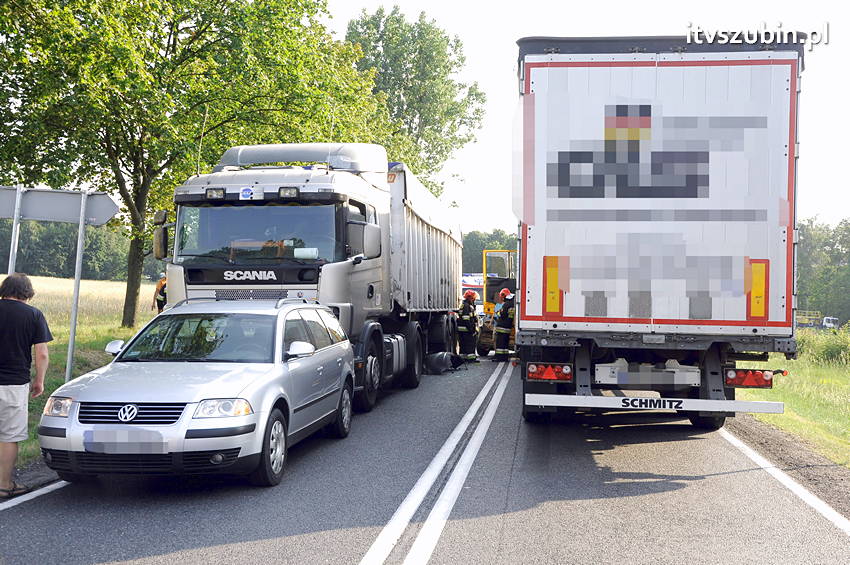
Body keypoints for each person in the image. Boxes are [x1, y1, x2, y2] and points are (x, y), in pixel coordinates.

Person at [0, 273, 52, 499]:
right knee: (8, 436)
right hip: (14, 384)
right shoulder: (33, 315)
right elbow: (41, 354)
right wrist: (39, 380)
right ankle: (4, 484)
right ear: (27, 292)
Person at [457, 290, 480, 363]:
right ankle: (471, 359)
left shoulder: (464, 305)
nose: (474, 300)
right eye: (473, 298)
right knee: (470, 344)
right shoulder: (467, 306)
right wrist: (471, 329)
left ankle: (463, 359)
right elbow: (466, 318)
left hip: (463, 329)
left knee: (463, 345)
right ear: (470, 298)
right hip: (467, 329)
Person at [492, 288, 515, 361]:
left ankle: (499, 358)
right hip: (508, 327)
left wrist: (498, 313)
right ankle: (504, 357)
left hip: (502, 327)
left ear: (504, 296)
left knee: (500, 344)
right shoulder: (512, 304)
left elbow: (502, 314)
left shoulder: (506, 304)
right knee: (505, 344)